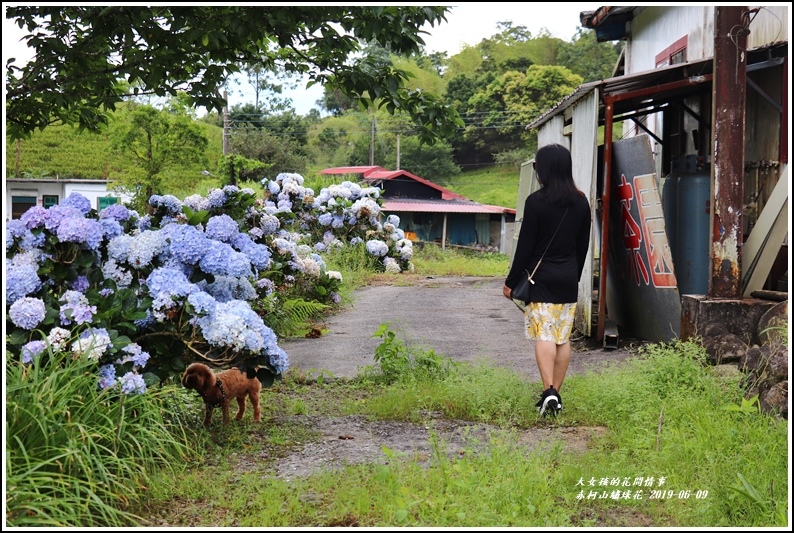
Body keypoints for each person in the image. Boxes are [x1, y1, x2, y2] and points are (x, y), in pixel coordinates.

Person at [503, 143, 591, 417]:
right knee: (562, 339)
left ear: (544, 170)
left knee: (544, 335)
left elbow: (526, 247)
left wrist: (510, 281)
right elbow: (583, 246)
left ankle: (549, 391)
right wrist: (573, 277)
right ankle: (554, 396)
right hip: (567, 279)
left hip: (539, 280)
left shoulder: (536, 202)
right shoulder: (581, 202)